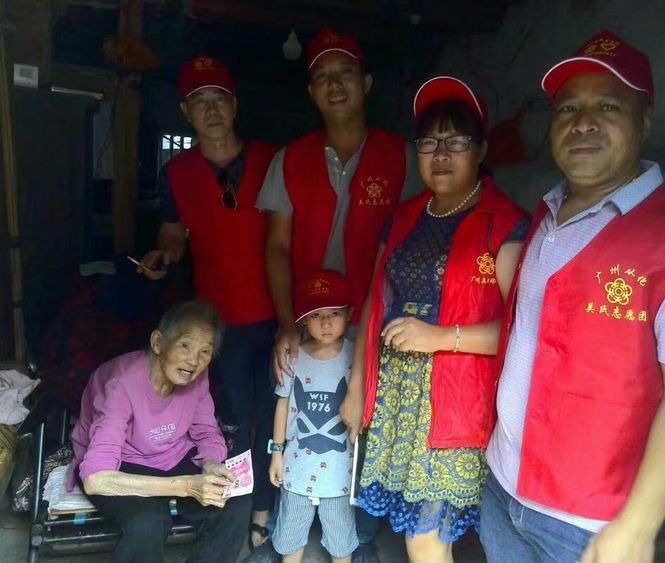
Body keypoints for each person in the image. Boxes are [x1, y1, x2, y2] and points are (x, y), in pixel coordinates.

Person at [480, 30, 665, 563]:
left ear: (645, 121)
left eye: (609, 106)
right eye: (568, 108)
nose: (584, 123)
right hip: (503, 488)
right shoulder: (545, 218)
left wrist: (638, 528)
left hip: (591, 523)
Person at [339, 76, 529, 563]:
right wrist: (358, 388)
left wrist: (441, 337)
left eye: (457, 141)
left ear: (481, 149)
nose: (441, 153)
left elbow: (523, 330)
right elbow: (374, 302)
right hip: (397, 395)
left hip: (457, 400)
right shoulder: (404, 216)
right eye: (429, 141)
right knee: (416, 533)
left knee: (425, 538)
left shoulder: (505, 222)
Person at [256, 28, 420, 562]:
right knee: (305, 408)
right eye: (322, 76)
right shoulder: (290, 159)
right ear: (310, 91)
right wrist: (287, 324)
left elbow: (419, 239)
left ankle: (355, 528)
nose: (334, 85)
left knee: (370, 417)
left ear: (366, 83)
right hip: (310, 321)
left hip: (378, 318)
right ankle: (297, 519)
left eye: (345, 73)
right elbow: (277, 247)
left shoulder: (402, 157)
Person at [139, 54, 278, 548]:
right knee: (233, 415)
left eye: (220, 99)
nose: (212, 110)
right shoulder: (176, 172)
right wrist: (163, 255)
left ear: (235, 105)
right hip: (216, 323)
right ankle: (237, 509)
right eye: (200, 102)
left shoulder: (273, 160)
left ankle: (266, 507)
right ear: (186, 111)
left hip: (277, 312)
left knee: (278, 413)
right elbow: (173, 234)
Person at [67, 301, 251, 563]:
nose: (194, 361)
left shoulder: (197, 377)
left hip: (173, 453)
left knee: (236, 504)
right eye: (185, 345)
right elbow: (96, 479)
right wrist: (185, 486)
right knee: (148, 522)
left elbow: (207, 432)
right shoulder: (122, 384)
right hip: (123, 461)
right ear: (157, 342)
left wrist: (210, 463)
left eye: (205, 352)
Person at [268, 270, 358, 563]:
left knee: (341, 539)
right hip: (297, 464)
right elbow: (283, 404)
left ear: (349, 314)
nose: (327, 322)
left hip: (340, 468)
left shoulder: (356, 358)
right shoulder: (293, 356)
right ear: (303, 319)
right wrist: (277, 453)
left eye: (335, 313)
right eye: (317, 315)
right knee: (291, 534)